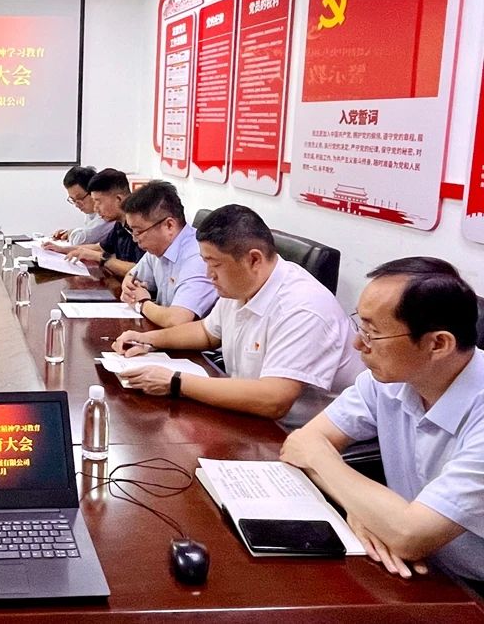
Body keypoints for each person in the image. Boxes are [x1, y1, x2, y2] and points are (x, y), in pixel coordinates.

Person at [281, 258, 484, 586]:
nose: (358, 344)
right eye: (361, 326)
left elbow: (410, 534)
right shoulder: (389, 379)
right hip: (412, 568)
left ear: (438, 344)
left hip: (471, 587)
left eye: (373, 333)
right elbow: (300, 444)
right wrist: (365, 511)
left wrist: (387, 522)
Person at [113, 204, 362, 419]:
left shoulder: (302, 307)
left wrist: (175, 381)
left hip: (299, 432)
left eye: (215, 264)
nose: (209, 275)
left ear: (254, 260)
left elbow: (274, 400)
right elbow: (207, 332)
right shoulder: (241, 285)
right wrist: (148, 340)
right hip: (249, 416)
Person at [119, 181, 217, 327]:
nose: (134, 238)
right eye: (132, 231)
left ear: (169, 225)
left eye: (138, 232)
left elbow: (177, 320)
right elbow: (132, 276)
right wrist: (129, 288)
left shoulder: (199, 257)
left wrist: (142, 303)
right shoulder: (157, 248)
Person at [45, 168, 143, 278]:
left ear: (118, 199)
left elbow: (141, 270)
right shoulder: (120, 223)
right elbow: (100, 247)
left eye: (98, 201)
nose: (95, 208)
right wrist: (62, 250)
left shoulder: (141, 226)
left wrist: (100, 257)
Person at [50, 165, 114, 245]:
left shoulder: (107, 213)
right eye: (73, 200)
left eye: (80, 198)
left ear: (93, 192)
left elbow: (80, 241)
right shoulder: (90, 212)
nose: (77, 205)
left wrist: (72, 232)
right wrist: (69, 233)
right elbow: (88, 232)